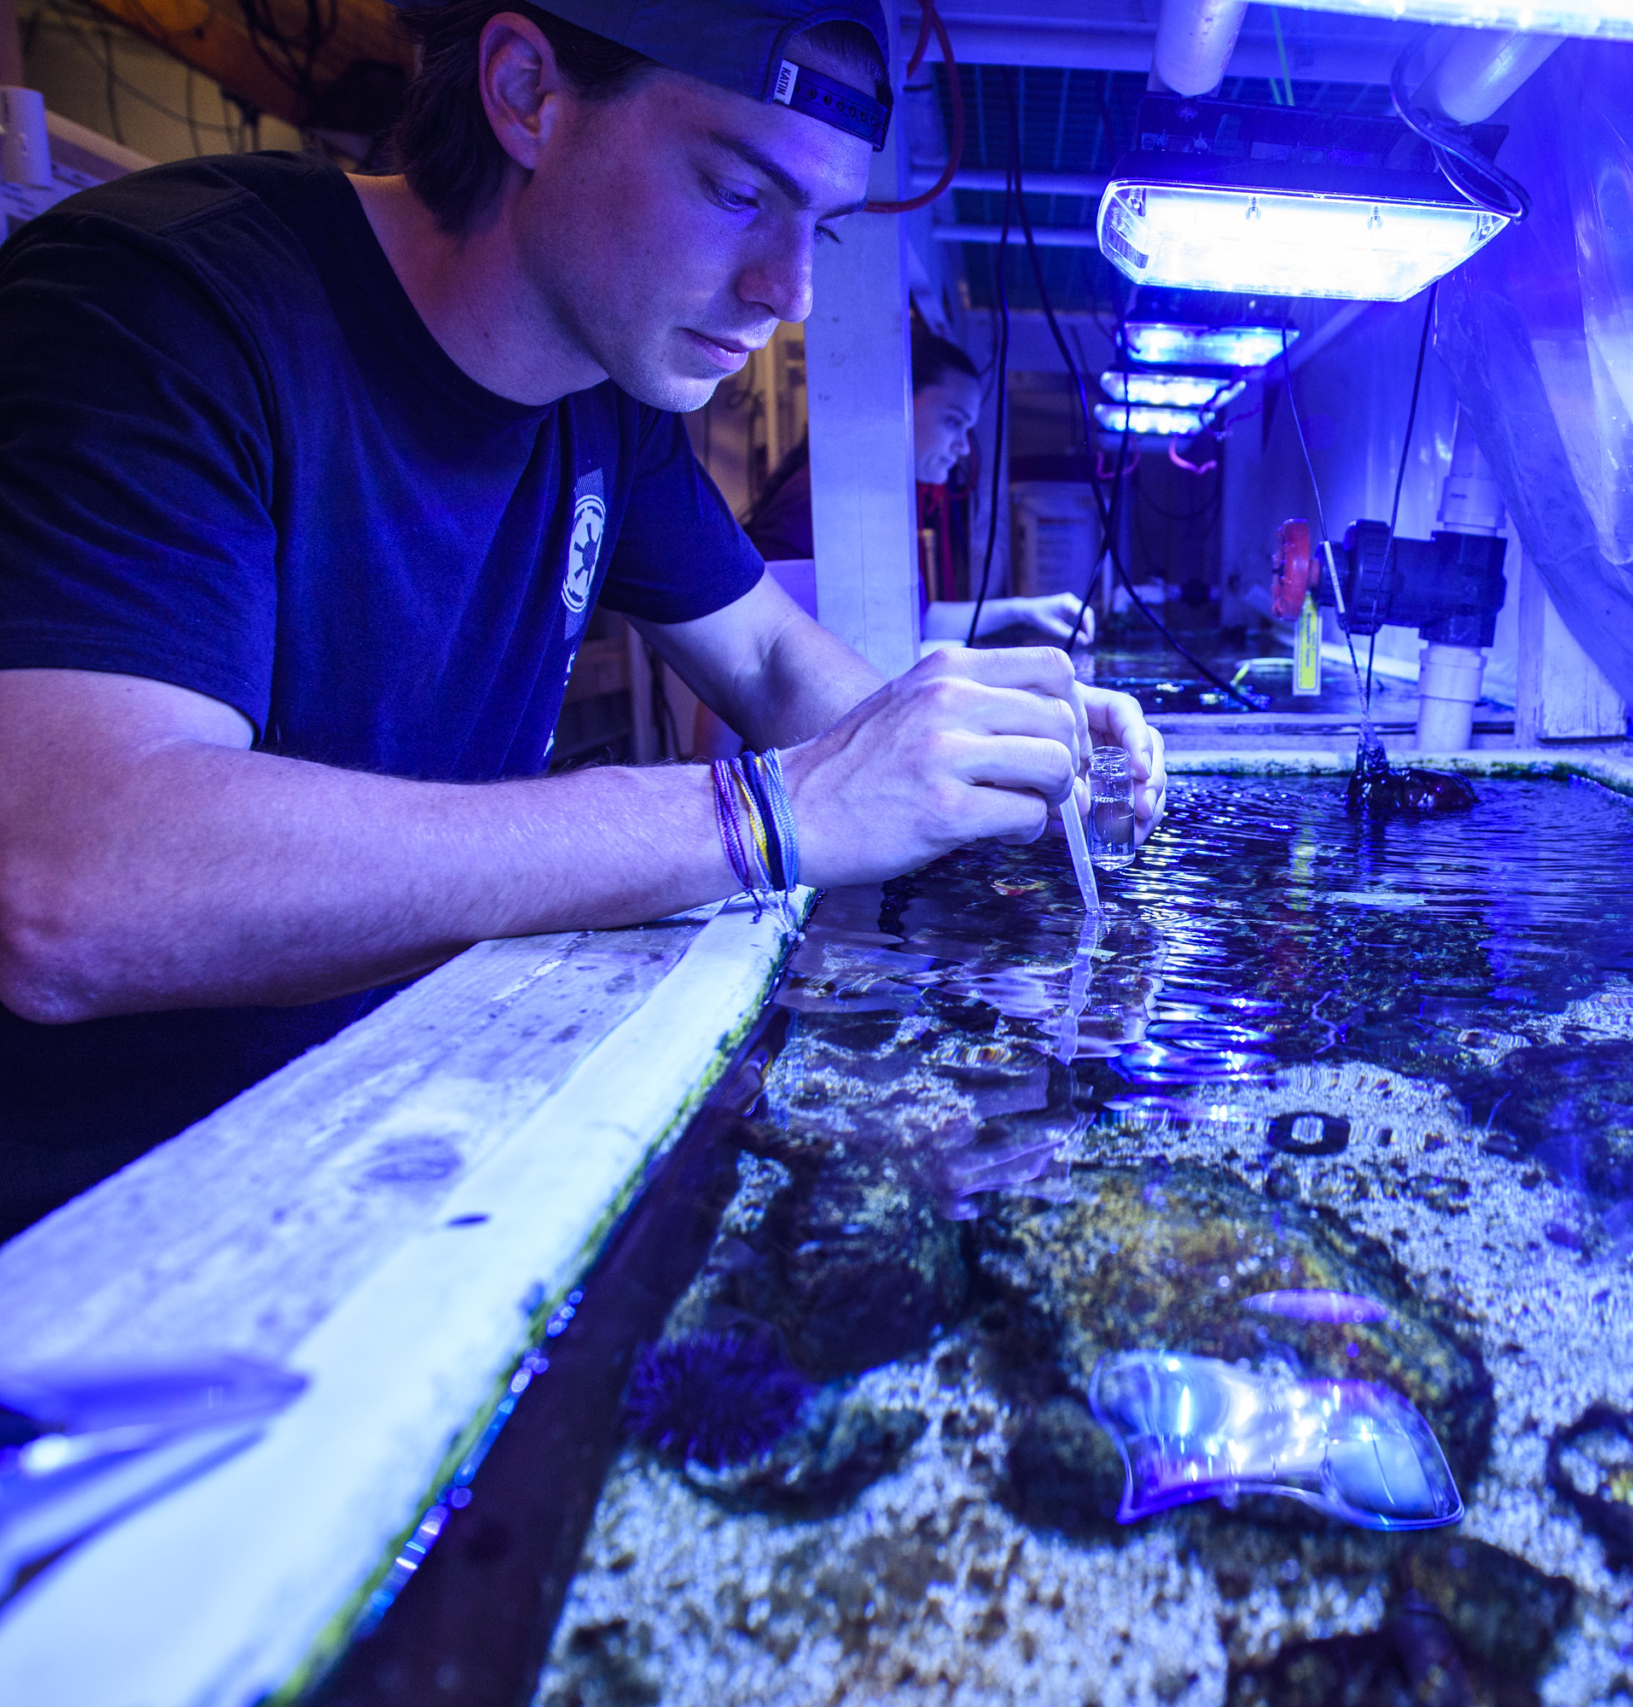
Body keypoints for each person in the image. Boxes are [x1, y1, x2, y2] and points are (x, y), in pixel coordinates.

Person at [0, 0, 1166, 1236]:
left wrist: (1001, 774)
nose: (790, 290)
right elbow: (71, 883)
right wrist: (772, 813)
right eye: (735, 192)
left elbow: (771, 659)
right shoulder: (162, 305)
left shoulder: (601, 404)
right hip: (94, 1241)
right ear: (525, 94)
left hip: (392, 1135)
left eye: (816, 227)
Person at [740, 322, 1097, 646]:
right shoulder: (829, 499)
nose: (962, 447)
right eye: (953, 422)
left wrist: (1024, 610)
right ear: (896, 403)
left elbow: (918, 620)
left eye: (967, 429)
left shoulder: (862, 496)